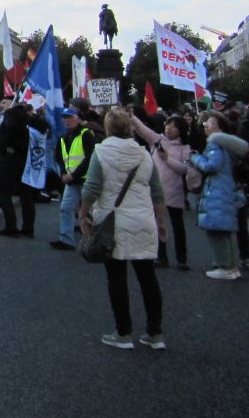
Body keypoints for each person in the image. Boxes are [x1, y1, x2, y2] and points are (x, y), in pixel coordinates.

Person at [79, 109, 167, 349]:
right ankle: (155, 332)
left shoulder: (102, 152)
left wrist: (82, 213)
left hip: (112, 221)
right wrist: (161, 221)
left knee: (116, 278)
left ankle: (123, 332)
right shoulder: (144, 155)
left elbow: (92, 187)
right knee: (147, 277)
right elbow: (157, 190)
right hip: (143, 219)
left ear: (108, 129)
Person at [187, 112, 248, 280]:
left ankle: (224, 267)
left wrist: (196, 158)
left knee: (216, 231)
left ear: (220, 127)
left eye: (211, 123)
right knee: (224, 231)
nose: (206, 125)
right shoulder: (227, 145)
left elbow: (212, 165)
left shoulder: (214, 143)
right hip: (227, 189)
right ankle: (231, 267)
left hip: (217, 190)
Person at [130, 112, 192, 269]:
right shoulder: (158, 140)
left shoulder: (185, 148)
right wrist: (132, 116)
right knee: (157, 224)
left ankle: (181, 258)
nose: (169, 128)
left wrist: (167, 159)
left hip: (174, 191)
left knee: (178, 226)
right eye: (167, 125)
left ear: (181, 130)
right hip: (156, 191)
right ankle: (161, 256)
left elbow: (185, 169)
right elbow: (142, 129)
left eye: (173, 126)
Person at [0, 103, 47, 238]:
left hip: (8, 162)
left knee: (4, 193)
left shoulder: (10, 117)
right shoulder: (32, 122)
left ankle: (11, 226)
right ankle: (28, 228)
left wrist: (5, 145)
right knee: (26, 196)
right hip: (26, 162)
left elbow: (6, 135)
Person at [51, 106, 96, 251]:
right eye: (65, 118)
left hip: (85, 180)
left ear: (77, 118)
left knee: (93, 212)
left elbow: (90, 158)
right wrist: (64, 173)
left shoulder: (86, 134)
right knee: (66, 209)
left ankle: (97, 240)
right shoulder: (64, 137)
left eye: (70, 117)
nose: (67, 120)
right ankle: (66, 239)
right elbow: (60, 157)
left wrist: (72, 174)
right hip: (72, 180)